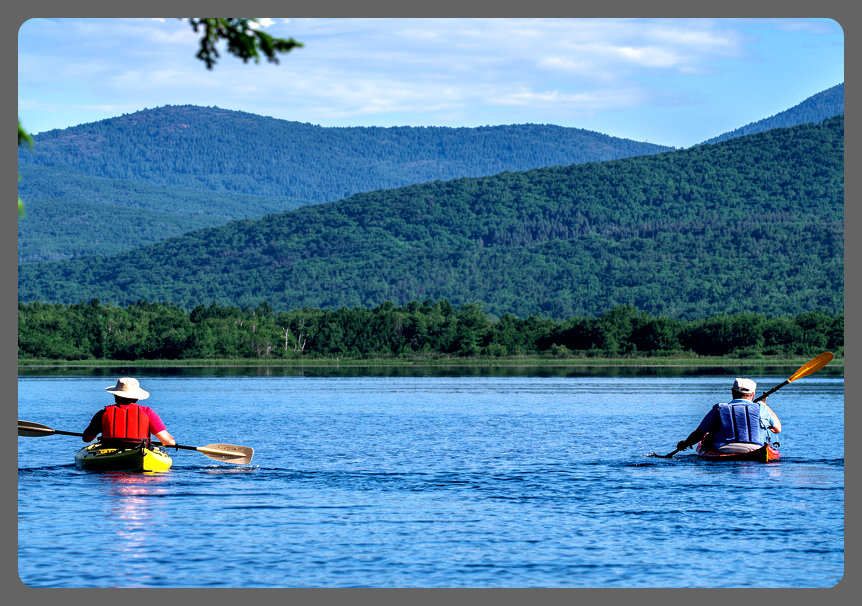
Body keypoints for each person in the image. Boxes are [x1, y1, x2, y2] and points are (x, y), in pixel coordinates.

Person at [676, 378, 781, 454]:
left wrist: (685, 443)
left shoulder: (719, 408)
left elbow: (699, 434)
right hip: (756, 449)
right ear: (753, 394)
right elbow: (777, 429)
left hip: (724, 449)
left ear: (732, 392)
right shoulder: (761, 408)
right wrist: (764, 404)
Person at [82, 377, 176, 448]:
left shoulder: (103, 413)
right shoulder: (147, 412)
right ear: (137, 397)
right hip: (139, 450)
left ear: (115, 395)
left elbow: (86, 439)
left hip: (109, 450)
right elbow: (170, 442)